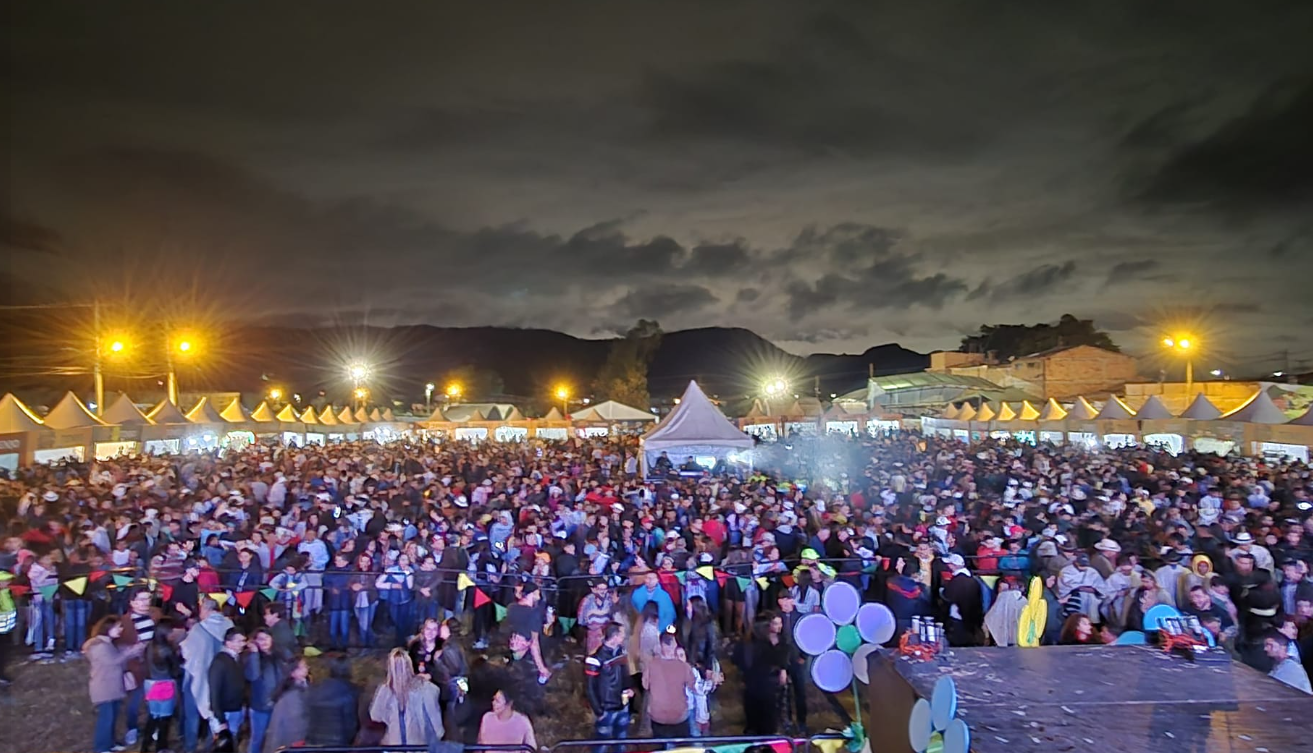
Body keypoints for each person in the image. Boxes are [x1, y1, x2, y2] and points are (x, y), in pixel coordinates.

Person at [179, 596, 234, 753]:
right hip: (221, 678)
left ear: (206, 609)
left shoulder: (198, 628)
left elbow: (186, 651)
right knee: (216, 714)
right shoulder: (229, 625)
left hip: (199, 676)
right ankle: (211, 746)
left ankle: (190, 747)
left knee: (192, 716)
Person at [86, 615, 145, 753]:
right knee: (106, 719)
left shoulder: (108, 643)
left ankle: (110, 743)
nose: (121, 629)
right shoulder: (100, 646)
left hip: (112, 686)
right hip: (104, 688)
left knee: (112, 717)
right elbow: (113, 661)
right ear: (108, 628)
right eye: (118, 627)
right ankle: (101, 747)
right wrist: (131, 652)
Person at [369, 647, 444, 746]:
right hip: (418, 744)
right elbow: (435, 720)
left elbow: (376, 715)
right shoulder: (424, 687)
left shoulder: (385, 690)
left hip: (396, 743)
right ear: (409, 665)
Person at [733, 615, 788, 736]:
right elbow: (778, 661)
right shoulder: (767, 646)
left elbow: (736, 659)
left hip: (750, 689)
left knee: (752, 724)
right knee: (767, 726)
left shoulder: (745, 642)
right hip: (767, 690)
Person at [586, 622, 634, 751]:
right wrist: (599, 711)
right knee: (602, 745)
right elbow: (590, 688)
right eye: (622, 634)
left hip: (622, 707)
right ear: (615, 636)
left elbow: (625, 675)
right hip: (606, 709)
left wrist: (629, 689)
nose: (624, 637)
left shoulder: (621, 653)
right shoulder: (595, 659)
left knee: (621, 742)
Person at [643, 633, 697, 739]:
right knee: (682, 748)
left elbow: (645, 685)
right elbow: (692, 685)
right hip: (679, 716)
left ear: (661, 645)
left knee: (660, 747)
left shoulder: (651, 665)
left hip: (658, 716)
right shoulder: (684, 667)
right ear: (674, 645)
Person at [142, 621, 182, 753]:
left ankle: (145, 745)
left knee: (153, 716)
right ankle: (161, 747)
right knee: (165, 718)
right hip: (164, 684)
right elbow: (175, 670)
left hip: (150, 683)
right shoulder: (166, 649)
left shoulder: (149, 646)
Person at [305, 654, 361, 747]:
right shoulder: (350, 691)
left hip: (313, 742)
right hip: (338, 743)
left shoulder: (316, 689)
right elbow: (350, 723)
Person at [207, 628, 249, 745]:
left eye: (244, 640)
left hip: (236, 709)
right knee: (220, 743)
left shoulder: (237, 658)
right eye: (239, 641)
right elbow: (214, 691)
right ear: (228, 643)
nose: (243, 644)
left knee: (231, 742)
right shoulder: (220, 662)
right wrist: (220, 718)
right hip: (225, 711)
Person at [244, 629, 283, 753]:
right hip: (260, 706)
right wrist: (254, 654)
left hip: (279, 704)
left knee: (278, 738)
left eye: (267, 638)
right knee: (257, 739)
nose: (264, 641)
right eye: (260, 639)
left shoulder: (279, 654)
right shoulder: (250, 657)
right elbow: (253, 676)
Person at [505, 582, 552, 682]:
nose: (539, 595)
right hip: (522, 648)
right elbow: (534, 642)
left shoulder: (511, 607)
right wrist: (542, 669)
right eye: (537, 592)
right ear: (532, 593)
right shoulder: (534, 614)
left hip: (511, 643)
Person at [265, 658, 311, 752]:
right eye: (302, 667)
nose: (306, 668)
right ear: (293, 672)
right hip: (293, 736)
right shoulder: (290, 695)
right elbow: (282, 724)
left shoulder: (306, 685)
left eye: (306, 666)